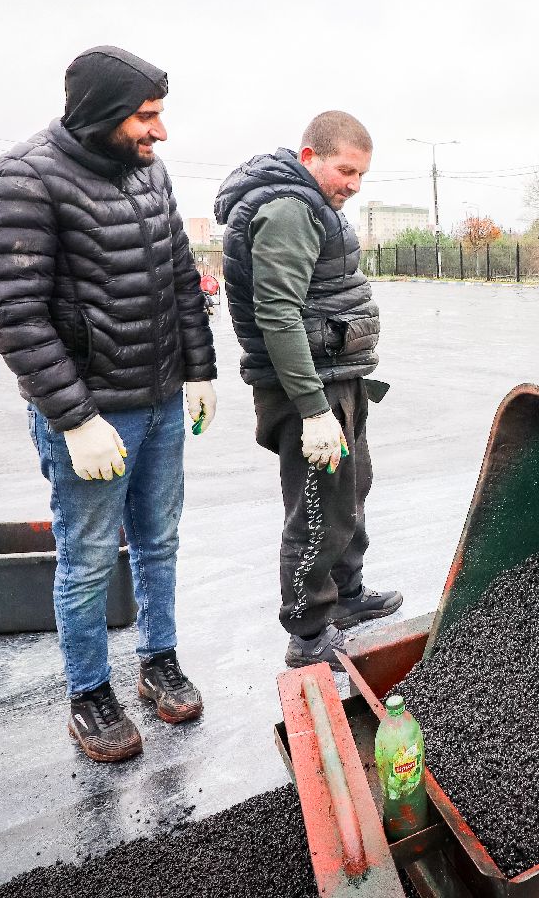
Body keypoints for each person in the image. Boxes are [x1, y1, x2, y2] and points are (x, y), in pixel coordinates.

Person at [0, 45, 217, 763]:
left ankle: (158, 661)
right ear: (104, 113)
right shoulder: (21, 178)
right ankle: (89, 695)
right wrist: (75, 418)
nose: (160, 131)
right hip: (93, 416)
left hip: (162, 401)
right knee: (85, 560)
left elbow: (180, 275)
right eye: (146, 117)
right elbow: (15, 314)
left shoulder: (151, 173)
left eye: (160, 115)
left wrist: (199, 370)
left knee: (159, 542)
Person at [213, 111, 401, 669]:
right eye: (345, 170)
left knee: (350, 491)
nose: (354, 184)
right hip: (307, 390)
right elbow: (277, 314)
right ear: (308, 157)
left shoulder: (311, 205)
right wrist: (314, 410)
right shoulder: (289, 211)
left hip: (336, 377)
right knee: (316, 509)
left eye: (362, 174)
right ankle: (308, 631)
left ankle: (345, 595)